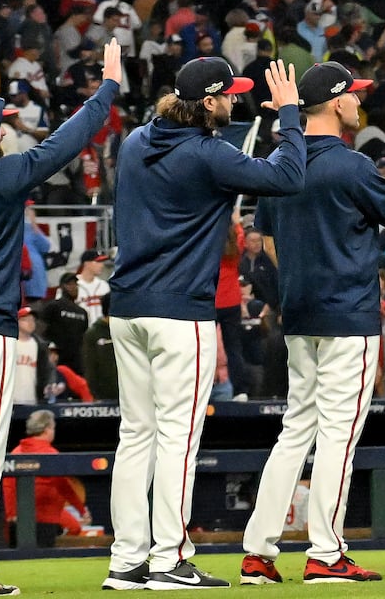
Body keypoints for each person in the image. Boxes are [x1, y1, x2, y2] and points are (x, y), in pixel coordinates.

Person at [105, 56, 304, 591]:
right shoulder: (208, 153)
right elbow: (288, 175)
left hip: (126, 307)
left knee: (135, 436)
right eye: (229, 94)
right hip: (178, 312)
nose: (236, 101)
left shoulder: (135, 142)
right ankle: (168, 560)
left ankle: (127, 561)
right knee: (177, 439)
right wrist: (290, 114)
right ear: (209, 101)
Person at [240, 62, 385, 585]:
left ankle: (258, 552)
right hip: (348, 315)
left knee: (295, 431)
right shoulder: (352, 165)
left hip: (300, 316)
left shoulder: (283, 159)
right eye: (354, 96)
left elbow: (267, 237)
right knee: (338, 436)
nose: (359, 103)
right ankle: (326, 553)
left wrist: (303, 277)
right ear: (338, 103)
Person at [0, 39, 120, 593]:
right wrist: (107, 89)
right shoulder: (0, 178)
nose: (7, 130)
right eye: (1, 123)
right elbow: (65, 143)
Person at [5, 410, 86, 548]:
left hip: (18, 521)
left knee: (18, 562)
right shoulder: (51, 455)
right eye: (53, 428)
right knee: (41, 560)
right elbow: (63, 486)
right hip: (45, 522)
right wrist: (81, 509)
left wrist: (11, 514)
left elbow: (8, 486)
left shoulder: (16, 452)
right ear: (47, 429)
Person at [38, 273, 89, 377]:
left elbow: (83, 337)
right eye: (69, 284)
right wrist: (48, 350)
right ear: (62, 287)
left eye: (75, 284)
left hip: (77, 362)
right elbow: (40, 331)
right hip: (57, 360)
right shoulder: (53, 306)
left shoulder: (82, 312)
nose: (73, 288)